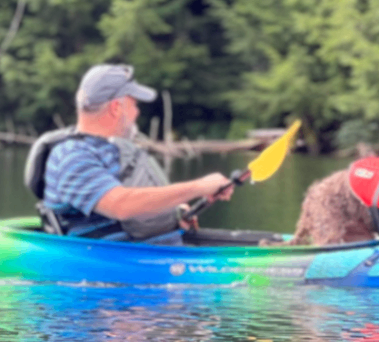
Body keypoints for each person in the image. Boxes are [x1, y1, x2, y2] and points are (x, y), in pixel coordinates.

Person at [28, 63, 234, 241]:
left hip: (156, 254)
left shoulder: (113, 148)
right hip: (114, 269)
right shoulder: (71, 156)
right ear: (116, 108)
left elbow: (134, 202)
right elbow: (121, 205)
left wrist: (174, 213)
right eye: (134, 104)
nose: (137, 112)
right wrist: (199, 187)